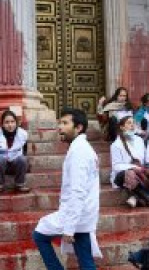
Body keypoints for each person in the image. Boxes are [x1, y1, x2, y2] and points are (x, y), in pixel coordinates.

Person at [33, 108, 101, 270]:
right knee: (85, 259)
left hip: (76, 214)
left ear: (78, 128)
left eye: (65, 123)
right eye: (59, 123)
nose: (60, 127)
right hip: (82, 215)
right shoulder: (80, 148)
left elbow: (78, 191)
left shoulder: (79, 151)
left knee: (39, 235)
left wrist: (69, 228)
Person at [110, 115, 149, 208]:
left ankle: (134, 197)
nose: (132, 125)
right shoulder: (116, 145)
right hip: (121, 176)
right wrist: (134, 167)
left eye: (133, 123)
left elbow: (145, 160)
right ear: (121, 127)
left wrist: (147, 167)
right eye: (129, 123)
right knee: (130, 173)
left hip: (140, 172)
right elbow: (116, 166)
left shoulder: (139, 140)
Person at [0, 110, 30, 193]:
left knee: (22, 159)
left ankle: (20, 184)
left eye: (12, 122)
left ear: (16, 122)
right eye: (7, 122)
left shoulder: (22, 134)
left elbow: (24, 151)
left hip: (15, 165)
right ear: (2, 124)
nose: (10, 125)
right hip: (0, 165)